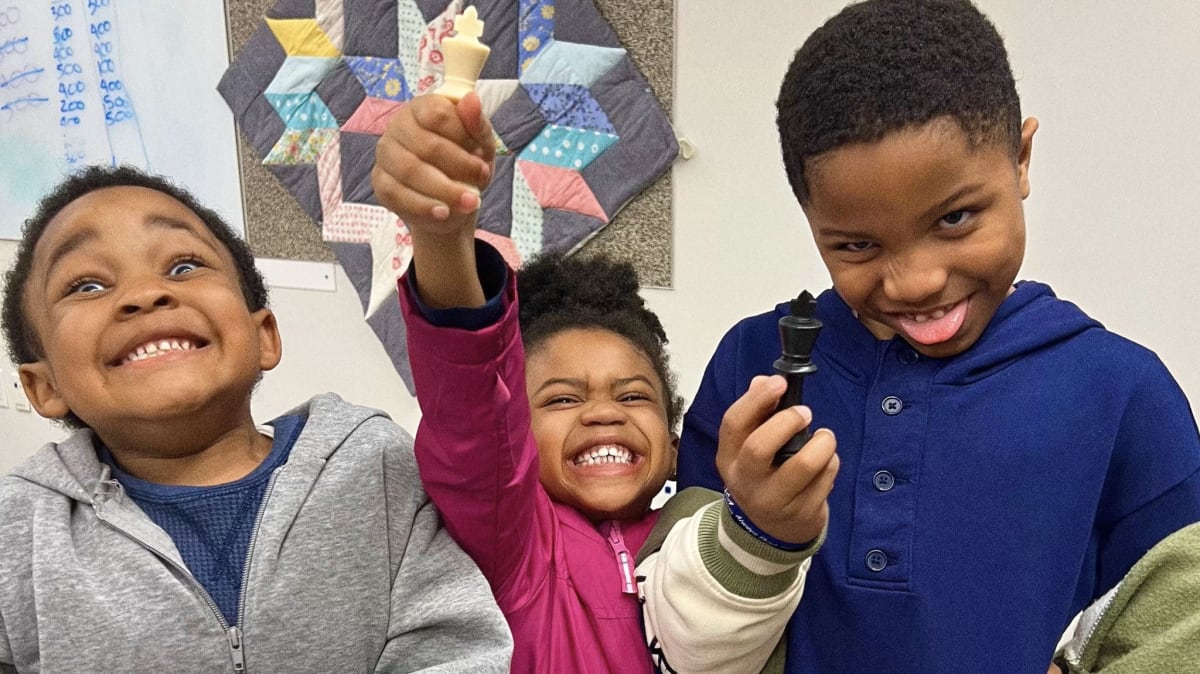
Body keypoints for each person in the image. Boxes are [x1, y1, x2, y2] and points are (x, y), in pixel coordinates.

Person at [674, 0, 1200, 671]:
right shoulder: (753, 369)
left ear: (1021, 160)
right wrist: (753, 534)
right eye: (858, 244)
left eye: (954, 218)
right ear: (809, 219)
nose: (916, 282)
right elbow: (675, 638)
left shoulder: (1124, 394)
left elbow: (1179, 630)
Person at [372, 91, 840, 673]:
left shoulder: (700, 544)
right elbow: (471, 411)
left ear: (674, 448)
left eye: (634, 396)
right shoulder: (515, 547)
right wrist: (442, 235)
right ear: (516, 438)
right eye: (563, 398)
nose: (603, 412)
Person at [0, 165, 512, 673]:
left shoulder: (371, 467)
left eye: (183, 266)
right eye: (87, 285)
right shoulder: (20, 530)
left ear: (264, 335)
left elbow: (459, 650)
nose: (144, 294)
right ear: (44, 386)